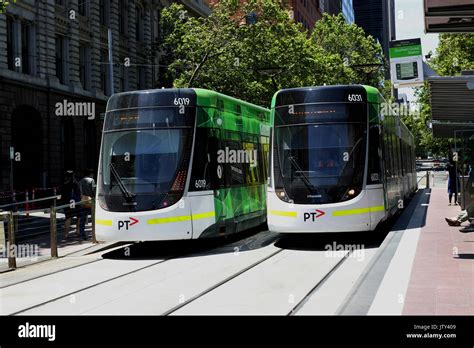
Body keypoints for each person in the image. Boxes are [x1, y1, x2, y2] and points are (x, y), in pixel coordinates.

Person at [59, 170, 82, 239]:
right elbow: (79, 193)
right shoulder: (75, 183)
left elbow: (62, 194)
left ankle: (66, 234)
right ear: (73, 175)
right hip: (75, 202)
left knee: (68, 218)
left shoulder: (64, 183)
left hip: (66, 203)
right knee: (79, 216)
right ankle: (77, 231)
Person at [78, 169, 95, 240]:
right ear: (90, 174)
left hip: (83, 200)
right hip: (91, 200)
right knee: (94, 217)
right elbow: (93, 190)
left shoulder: (81, 181)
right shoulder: (91, 180)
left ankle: (82, 234)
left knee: (83, 218)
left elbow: (80, 191)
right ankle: (94, 234)